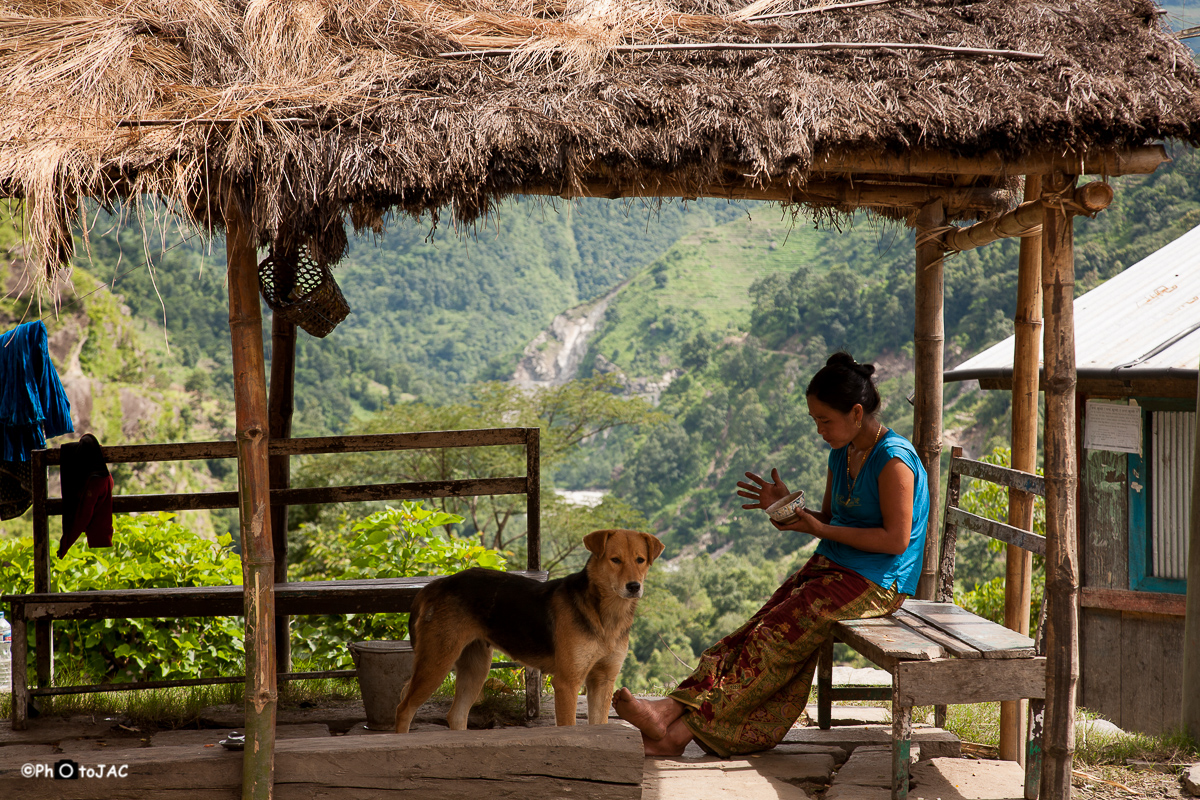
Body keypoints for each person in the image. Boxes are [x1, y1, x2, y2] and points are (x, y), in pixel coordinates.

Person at [613, 351, 929, 757]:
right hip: (835, 567)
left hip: (878, 583)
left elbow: (895, 541)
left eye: (825, 421)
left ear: (855, 413)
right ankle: (670, 715)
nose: (820, 431)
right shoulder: (843, 452)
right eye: (815, 421)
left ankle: (675, 730)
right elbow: (831, 519)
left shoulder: (894, 460)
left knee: (771, 643)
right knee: (752, 632)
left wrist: (818, 528)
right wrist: (790, 512)